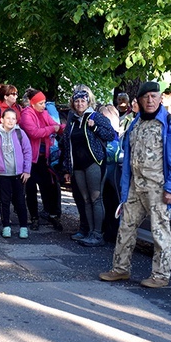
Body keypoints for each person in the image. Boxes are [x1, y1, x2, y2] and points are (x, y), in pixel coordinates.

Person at [99, 81, 171, 288]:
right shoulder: (136, 123)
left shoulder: (170, 123)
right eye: (146, 97)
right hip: (135, 187)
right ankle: (120, 269)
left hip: (159, 188)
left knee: (160, 232)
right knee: (125, 228)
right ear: (139, 100)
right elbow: (128, 156)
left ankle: (160, 275)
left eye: (154, 96)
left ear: (160, 99)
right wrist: (125, 191)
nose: (150, 100)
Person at [60, 88, 116, 247]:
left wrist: (95, 127)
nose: (79, 104)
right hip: (77, 166)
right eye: (77, 101)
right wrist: (66, 168)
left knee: (95, 199)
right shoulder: (72, 121)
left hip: (94, 163)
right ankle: (90, 232)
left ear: (88, 101)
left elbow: (111, 134)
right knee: (85, 200)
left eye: (82, 101)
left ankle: (98, 234)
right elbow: (66, 144)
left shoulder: (96, 117)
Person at [19, 88, 64, 231]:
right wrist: (53, 129)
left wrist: (63, 128)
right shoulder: (26, 114)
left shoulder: (44, 113)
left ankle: (52, 215)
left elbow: (55, 126)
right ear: (33, 104)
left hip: (45, 158)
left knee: (48, 187)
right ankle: (34, 217)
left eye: (44, 102)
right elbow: (34, 132)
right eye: (41, 103)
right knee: (31, 188)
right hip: (31, 159)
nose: (44, 106)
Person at [0, 108, 31, 238]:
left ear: (16, 121)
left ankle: (23, 227)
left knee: (20, 201)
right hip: (2, 174)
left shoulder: (20, 133)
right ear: (2, 119)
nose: (10, 121)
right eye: (8, 118)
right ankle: (6, 226)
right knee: (4, 201)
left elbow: (27, 152)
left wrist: (27, 170)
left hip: (19, 174)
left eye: (13, 118)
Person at [98, 103, 123, 242]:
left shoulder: (114, 137)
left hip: (112, 171)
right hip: (104, 170)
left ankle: (112, 232)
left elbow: (113, 152)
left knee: (112, 200)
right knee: (104, 200)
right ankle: (105, 229)